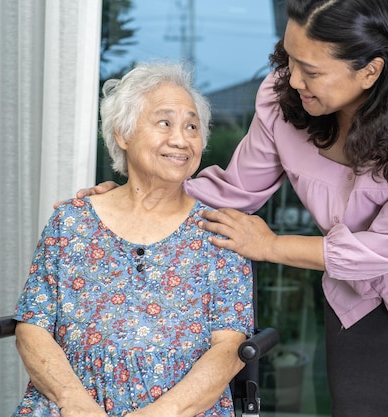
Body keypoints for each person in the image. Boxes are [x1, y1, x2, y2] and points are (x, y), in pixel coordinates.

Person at [76, 0, 388, 416]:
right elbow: (236, 190)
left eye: (311, 71)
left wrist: (271, 245)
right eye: (291, 59)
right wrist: (137, 195)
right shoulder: (285, 98)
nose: (294, 80)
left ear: (370, 71)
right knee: (354, 402)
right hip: (349, 275)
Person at [13, 62, 254, 417]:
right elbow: (32, 327)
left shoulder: (220, 231)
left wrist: (163, 412)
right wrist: (74, 403)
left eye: (192, 126)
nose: (181, 139)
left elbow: (229, 347)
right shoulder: (71, 221)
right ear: (122, 134)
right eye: (164, 123)